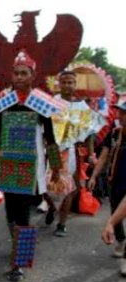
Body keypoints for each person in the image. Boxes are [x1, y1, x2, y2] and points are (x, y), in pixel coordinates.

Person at [0, 50, 61, 282]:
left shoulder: (41, 105)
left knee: (22, 214)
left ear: (33, 76)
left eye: (24, 73)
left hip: (30, 168)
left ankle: (19, 263)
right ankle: (17, 246)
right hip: (7, 166)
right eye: (16, 73)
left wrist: (57, 170)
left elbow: (51, 138)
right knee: (10, 212)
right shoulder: (5, 103)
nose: (19, 77)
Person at [42, 70, 105, 237]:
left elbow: (89, 132)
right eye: (64, 82)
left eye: (71, 82)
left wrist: (91, 154)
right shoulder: (49, 103)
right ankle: (51, 206)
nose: (67, 85)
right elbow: (40, 128)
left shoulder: (82, 107)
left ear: (75, 85)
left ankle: (62, 223)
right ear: (59, 84)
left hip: (71, 153)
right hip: (51, 150)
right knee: (42, 186)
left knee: (70, 188)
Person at [99, 102, 126, 276]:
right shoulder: (115, 134)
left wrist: (108, 223)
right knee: (115, 213)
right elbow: (104, 156)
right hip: (115, 182)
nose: (121, 116)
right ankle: (121, 239)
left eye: (125, 114)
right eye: (120, 112)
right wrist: (94, 176)